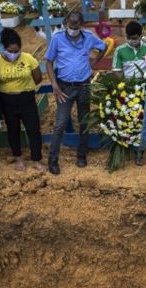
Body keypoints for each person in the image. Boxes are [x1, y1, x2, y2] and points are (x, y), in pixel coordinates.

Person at [45, 10, 106, 175]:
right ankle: (53, 160)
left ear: (81, 24)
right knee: (60, 124)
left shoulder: (88, 37)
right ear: (65, 23)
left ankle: (82, 154)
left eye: (75, 26)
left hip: (84, 85)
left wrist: (95, 61)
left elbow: (103, 46)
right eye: (69, 25)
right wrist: (54, 85)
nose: (72, 29)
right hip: (64, 87)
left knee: (84, 122)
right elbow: (49, 61)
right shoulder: (57, 38)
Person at [0, 28, 45, 172]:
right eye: (10, 51)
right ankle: (18, 158)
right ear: (4, 48)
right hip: (7, 101)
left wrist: (25, 87)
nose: (13, 54)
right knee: (13, 130)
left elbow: (38, 78)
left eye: (16, 51)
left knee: (34, 130)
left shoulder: (28, 58)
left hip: (27, 99)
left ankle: (36, 159)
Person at [112, 20, 146, 166]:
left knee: (144, 121)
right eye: (129, 38)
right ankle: (129, 148)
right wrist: (126, 87)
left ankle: (141, 151)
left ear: (141, 36)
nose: (132, 40)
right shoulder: (120, 51)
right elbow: (117, 72)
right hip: (128, 92)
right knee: (130, 121)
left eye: (135, 38)